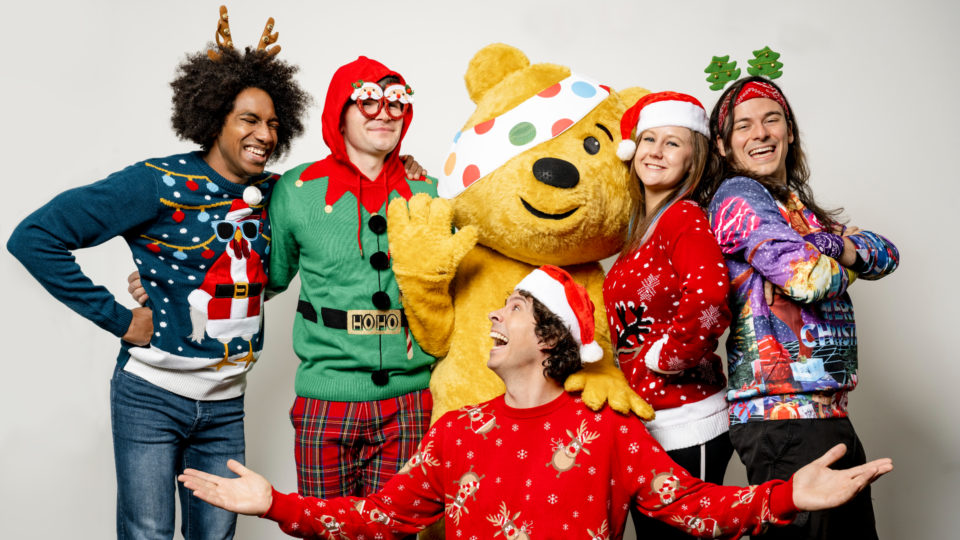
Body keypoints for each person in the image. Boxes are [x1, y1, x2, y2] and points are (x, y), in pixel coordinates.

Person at [179, 265, 893, 539]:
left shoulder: (608, 430)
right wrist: (275, 504)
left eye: (514, 308)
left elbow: (695, 508)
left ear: (550, 336)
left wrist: (788, 496)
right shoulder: (456, 432)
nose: (494, 315)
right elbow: (378, 518)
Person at [5, 7, 309, 539]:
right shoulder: (157, 182)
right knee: (147, 533)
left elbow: (338, 196)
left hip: (225, 405)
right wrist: (121, 319)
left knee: (215, 536)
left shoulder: (278, 195)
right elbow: (35, 237)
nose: (264, 134)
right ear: (214, 118)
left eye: (273, 124)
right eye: (249, 119)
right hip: (150, 398)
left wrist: (405, 168)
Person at [702, 75, 900, 539]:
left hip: (826, 411)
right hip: (783, 417)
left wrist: (832, 246)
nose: (761, 133)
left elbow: (888, 254)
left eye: (772, 119)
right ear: (724, 146)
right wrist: (844, 253)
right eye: (743, 125)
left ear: (789, 132)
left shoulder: (794, 205)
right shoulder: (738, 196)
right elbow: (806, 279)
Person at [265, 56, 436, 499]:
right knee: (322, 526)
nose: (384, 113)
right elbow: (266, 277)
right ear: (338, 114)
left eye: (395, 102)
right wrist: (171, 281)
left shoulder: (430, 192)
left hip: (410, 400)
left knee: (395, 528)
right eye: (367, 101)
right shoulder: (295, 190)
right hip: (324, 398)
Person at [605, 91, 733, 539]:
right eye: (649, 139)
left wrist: (669, 357)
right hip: (650, 423)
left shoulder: (683, 216)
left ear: (693, 159)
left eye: (673, 143)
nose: (656, 151)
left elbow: (711, 294)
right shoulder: (641, 228)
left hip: (687, 421)